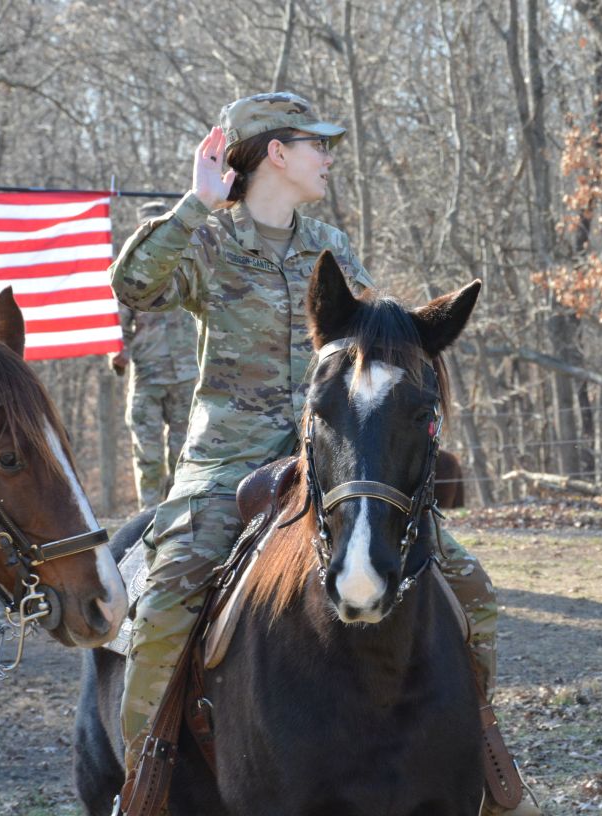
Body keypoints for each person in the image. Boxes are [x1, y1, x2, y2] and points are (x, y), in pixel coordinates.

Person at [110, 91, 539, 816]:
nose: (328, 157)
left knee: (471, 588)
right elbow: (133, 283)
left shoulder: (331, 249)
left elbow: (379, 341)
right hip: (227, 467)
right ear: (276, 153)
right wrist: (194, 203)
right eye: (317, 144)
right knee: (163, 609)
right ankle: (144, 783)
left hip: (333, 462)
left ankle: (487, 763)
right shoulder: (209, 243)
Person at [110, 201, 199, 509]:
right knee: (148, 455)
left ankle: (175, 513)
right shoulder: (133, 270)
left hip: (187, 375)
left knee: (184, 451)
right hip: (147, 375)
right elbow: (118, 323)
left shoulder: (188, 262)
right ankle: (146, 516)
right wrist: (118, 352)